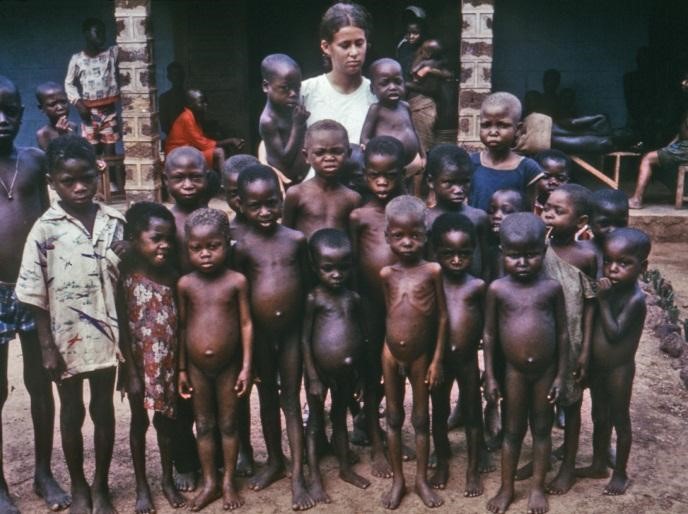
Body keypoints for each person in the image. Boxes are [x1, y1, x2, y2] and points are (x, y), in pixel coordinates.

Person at [16, 134, 125, 514]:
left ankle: (101, 487)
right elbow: (34, 296)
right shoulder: (45, 229)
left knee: (103, 409)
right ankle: (78, 485)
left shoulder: (114, 222)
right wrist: (46, 346)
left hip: (107, 338)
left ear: (98, 175)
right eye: (68, 181)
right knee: (72, 411)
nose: (79, 187)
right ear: (52, 181)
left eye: (86, 179)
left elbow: (126, 281)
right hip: (66, 341)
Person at [0, 76, 70, 513]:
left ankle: (44, 472)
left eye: (10, 110)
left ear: (24, 114)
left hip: (33, 287)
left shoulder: (34, 161)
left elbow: (53, 218)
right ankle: (0, 485)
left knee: (42, 381)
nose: (2, 119)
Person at [233, 165, 314, 511]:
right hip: (261, 335)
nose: (265, 212)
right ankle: (275, 461)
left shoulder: (296, 240)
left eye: (272, 203)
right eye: (256, 205)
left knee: (292, 402)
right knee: (266, 398)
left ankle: (297, 475)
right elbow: (238, 296)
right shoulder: (241, 246)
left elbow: (308, 287)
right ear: (239, 204)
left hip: (293, 332)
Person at [483, 213, 567, 514]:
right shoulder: (498, 289)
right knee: (512, 430)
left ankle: (536, 488)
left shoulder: (551, 289)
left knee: (542, 429)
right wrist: (491, 376)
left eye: (531, 255)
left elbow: (563, 334)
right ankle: (506, 488)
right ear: (502, 252)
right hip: (513, 372)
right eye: (514, 255)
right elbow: (490, 335)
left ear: (543, 253)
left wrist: (560, 375)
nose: (522, 262)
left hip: (545, 372)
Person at [176, 208, 253, 511]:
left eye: (213, 246)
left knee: (229, 424)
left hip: (229, 366)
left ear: (227, 243)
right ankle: (210, 482)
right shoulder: (186, 284)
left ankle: (228, 481)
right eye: (196, 248)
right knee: (204, 424)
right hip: (196, 367)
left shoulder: (236, 282)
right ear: (188, 248)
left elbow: (247, 324)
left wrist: (247, 365)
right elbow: (182, 327)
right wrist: (182, 367)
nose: (205, 254)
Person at [117, 202, 186, 513]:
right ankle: (142, 485)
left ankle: (167, 480)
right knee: (138, 422)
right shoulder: (125, 276)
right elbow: (121, 326)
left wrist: (180, 367)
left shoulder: (173, 276)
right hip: (137, 365)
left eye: (169, 239)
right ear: (134, 238)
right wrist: (130, 372)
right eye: (156, 238)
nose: (165, 245)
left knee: (166, 423)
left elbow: (181, 326)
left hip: (167, 364)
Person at [379, 195, 446, 510]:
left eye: (415, 235)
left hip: (422, 355)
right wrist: (386, 350)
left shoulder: (433, 271)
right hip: (390, 353)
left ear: (425, 235)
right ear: (387, 236)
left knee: (421, 418)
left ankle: (420, 479)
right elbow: (388, 315)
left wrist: (436, 359)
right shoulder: (386, 274)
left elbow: (443, 317)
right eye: (399, 236)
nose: (407, 242)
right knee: (394, 417)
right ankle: (398, 481)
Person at [575, 228, 650, 496]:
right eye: (608, 261)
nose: (613, 269)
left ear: (643, 267)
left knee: (620, 419)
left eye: (623, 263)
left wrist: (603, 300)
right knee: (599, 415)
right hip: (598, 366)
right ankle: (598, 463)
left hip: (619, 370)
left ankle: (620, 472)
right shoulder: (609, 288)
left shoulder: (635, 299)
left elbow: (615, 332)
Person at [348, 136, 406, 477]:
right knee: (371, 371)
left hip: (403, 305)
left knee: (398, 368)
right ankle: (375, 438)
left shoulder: (409, 210)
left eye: (390, 175)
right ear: (364, 174)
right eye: (374, 175)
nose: (382, 182)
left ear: (401, 174)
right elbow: (353, 264)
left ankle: (393, 430)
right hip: (369, 303)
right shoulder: (358, 215)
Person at [302, 228, 370, 503]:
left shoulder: (352, 299)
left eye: (343, 268)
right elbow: (305, 341)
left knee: (341, 420)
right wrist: (313, 377)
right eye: (328, 269)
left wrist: (360, 376)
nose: (336, 274)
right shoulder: (314, 298)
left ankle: (344, 468)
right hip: (320, 373)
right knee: (316, 424)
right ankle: (315, 478)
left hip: (346, 375)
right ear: (315, 267)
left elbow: (361, 338)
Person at [539, 184, 597, 495]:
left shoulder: (585, 255)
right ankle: (543, 457)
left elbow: (590, 305)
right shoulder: (536, 248)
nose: (548, 214)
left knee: (571, 405)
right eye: (547, 207)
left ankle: (568, 466)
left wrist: (585, 350)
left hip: (572, 341)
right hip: (541, 339)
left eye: (559, 211)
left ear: (581, 220)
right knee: (542, 403)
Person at [428, 213, 485, 496]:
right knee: (438, 413)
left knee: (474, 415)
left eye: (464, 253)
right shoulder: (432, 283)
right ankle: (442, 460)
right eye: (448, 253)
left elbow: (488, 330)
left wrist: (489, 367)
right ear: (435, 252)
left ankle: (473, 468)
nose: (456, 259)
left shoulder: (477, 286)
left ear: (473, 252)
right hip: (439, 362)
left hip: (467, 362)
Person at [162, 146, 209, 490]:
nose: (188, 184)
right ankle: (185, 460)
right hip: (173, 320)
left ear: (207, 179)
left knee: (218, 391)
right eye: (179, 178)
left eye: (196, 177)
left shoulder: (214, 220)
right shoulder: (162, 222)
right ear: (166, 181)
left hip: (211, 318)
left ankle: (226, 454)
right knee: (179, 397)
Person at [301, 2, 376, 147]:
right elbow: (272, 141)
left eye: (359, 43)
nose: (354, 53)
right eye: (345, 45)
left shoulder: (378, 93)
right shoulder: (305, 92)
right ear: (326, 47)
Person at [282, 120, 361, 239]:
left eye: (337, 151)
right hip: (306, 257)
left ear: (348, 154)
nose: (329, 158)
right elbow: (285, 236)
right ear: (306, 156)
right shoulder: (296, 194)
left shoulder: (352, 198)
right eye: (320, 153)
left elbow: (354, 240)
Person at [469, 92, 542, 212]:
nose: (493, 132)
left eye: (502, 125)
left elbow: (530, 209)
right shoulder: (470, 163)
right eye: (486, 125)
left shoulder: (527, 168)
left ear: (518, 129)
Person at [360, 58, 423, 195]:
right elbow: (364, 138)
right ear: (372, 88)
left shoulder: (405, 106)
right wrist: (374, 154)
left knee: (409, 193)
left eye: (398, 82)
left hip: (411, 163)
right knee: (394, 193)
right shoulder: (376, 109)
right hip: (388, 168)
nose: (393, 87)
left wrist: (423, 155)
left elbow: (414, 131)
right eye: (385, 83)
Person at [426, 144, 489, 278]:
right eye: (449, 182)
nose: (459, 190)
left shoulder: (478, 218)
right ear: (431, 181)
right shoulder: (425, 220)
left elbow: (486, 264)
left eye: (465, 182)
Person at [65, 18, 120, 158]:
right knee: (92, 156)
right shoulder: (77, 59)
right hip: (88, 115)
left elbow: (128, 46)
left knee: (110, 155)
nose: (102, 35)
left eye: (103, 32)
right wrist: (77, 102)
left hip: (109, 113)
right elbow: (68, 83)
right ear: (87, 34)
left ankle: (111, 180)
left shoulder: (111, 53)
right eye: (97, 32)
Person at [259, 54, 310, 183]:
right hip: (283, 182)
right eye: (285, 88)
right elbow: (285, 159)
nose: (293, 94)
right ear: (266, 86)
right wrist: (298, 126)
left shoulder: (290, 107)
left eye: (297, 88)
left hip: (303, 179)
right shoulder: (268, 120)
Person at [165, 88, 244, 168]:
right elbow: (202, 143)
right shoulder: (186, 118)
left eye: (205, 102)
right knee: (219, 152)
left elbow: (200, 138)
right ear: (190, 105)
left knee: (217, 151)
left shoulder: (194, 116)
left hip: (187, 151)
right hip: (178, 154)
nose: (205, 105)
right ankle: (225, 180)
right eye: (201, 102)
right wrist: (230, 140)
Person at [629, 109, 688, 209]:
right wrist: (667, 149)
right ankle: (680, 192)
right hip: (682, 147)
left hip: (685, 148)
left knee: (648, 159)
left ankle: (636, 200)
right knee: (657, 162)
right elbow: (680, 134)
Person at [406, 39, 453, 154]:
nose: (421, 51)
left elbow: (414, 73)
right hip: (420, 102)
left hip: (424, 103)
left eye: (423, 50)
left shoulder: (427, 63)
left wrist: (428, 70)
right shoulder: (435, 62)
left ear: (428, 53)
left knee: (423, 142)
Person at [589, 188, 629, 274]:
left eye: (620, 224)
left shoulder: (629, 252)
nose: (614, 230)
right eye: (605, 224)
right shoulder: (583, 253)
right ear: (589, 222)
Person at [223, 154, 260, 246]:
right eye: (234, 193)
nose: (241, 199)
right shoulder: (225, 233)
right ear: (225, 192)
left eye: (247, 191)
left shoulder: (272, 228)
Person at [35, 82, 76, 151]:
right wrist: (62, 137)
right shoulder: (43, 135)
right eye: (52, 104)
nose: (60, 107)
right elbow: (53, 160)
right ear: (42, 108)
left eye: (63, 102)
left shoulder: (73, 126)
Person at [532, 149, 571, 215]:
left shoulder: (570, 209)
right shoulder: (526, 205)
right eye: (546, 177)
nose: (553, 182)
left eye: (561, 178)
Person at [159, 62, 186, 137]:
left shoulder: (190, 97)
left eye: (179, 74)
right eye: (174, 74)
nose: (177, 77)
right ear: (169, 77)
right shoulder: (164, 98)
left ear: (183, 76)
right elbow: (164, 125)